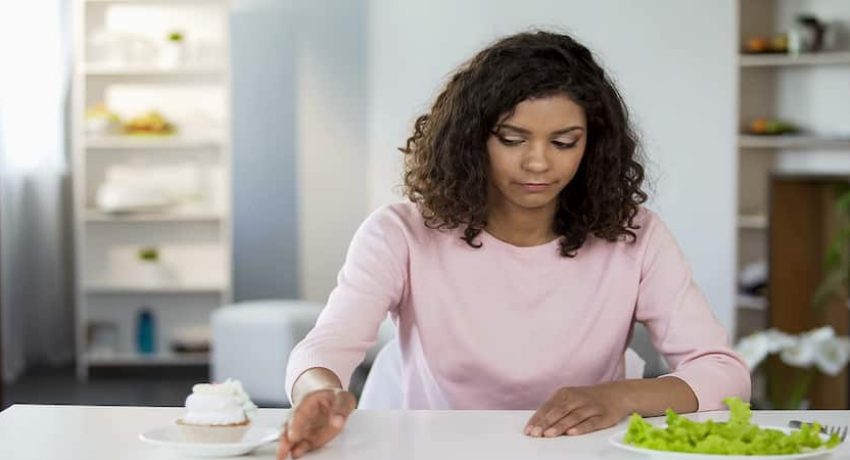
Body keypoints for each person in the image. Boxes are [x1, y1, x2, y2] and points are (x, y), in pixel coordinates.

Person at [277, 30, 750, 459]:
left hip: (583, 452)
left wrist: (620, 397)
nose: (538, 163)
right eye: (512, 139)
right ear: (472, 139)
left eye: (564, 142)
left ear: (593, 146)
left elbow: (723, 372)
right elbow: (325, 349)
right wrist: (318, 393)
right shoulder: (400, 233)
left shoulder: (637, 235)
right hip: (428, 450)